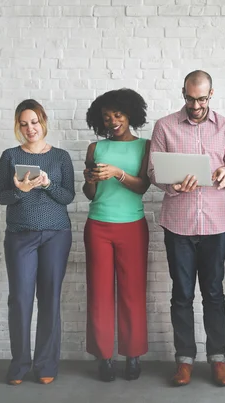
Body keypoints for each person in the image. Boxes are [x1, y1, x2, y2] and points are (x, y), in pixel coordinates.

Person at [148, 70, 225, 387]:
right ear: (183, 93)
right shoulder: (164, 126)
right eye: (190, 98)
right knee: (182, 295)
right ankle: (184, 361)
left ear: (211, 94)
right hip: (178, 225)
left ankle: (218, 359)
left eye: (201, 99)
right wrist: (172, 184)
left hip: (215, 224)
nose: (195, 104)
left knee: (214, 294)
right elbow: (152, 172)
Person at [0, 99, 75, 385]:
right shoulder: (9, 156)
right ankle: (18, 365)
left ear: (43, 121)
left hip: (56, 235)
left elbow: (68, 197)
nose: (30, 128)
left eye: (34, 121)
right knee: (20, 300)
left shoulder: (61, 157)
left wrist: (47, 184)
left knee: (50, 299)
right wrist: (19, 190)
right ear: (18, 126)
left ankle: (45, 365)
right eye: (24, 123)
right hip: (19, 236)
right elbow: (1, 197)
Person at [83, 88, 151, 382]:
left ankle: (132, 355)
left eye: (118, 115)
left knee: (132, 293)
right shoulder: (94, 149)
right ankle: (104, 357)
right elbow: (90, 195)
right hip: (98, 226)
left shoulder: (145, 147)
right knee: (99, 293)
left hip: (132, 226)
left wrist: (118, 173)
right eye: (107, 117)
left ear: (130, 115)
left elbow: (143, 187)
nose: (112, 121)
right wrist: (89, 180)